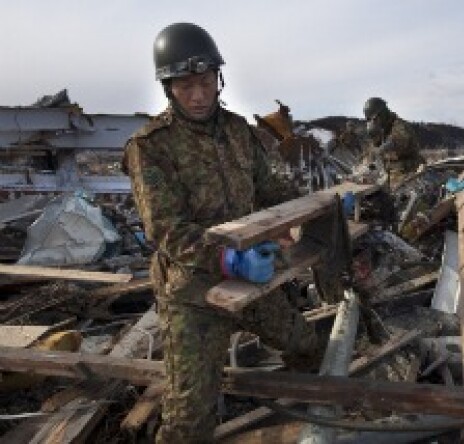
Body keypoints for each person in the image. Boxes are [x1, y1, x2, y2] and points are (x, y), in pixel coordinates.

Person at [123, 22, 323, 443]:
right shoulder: (151, 146)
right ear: (167, 88)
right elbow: (164, 228)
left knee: (306, 345)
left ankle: (301, 417)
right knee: (189, 422)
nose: (197, 95)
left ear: (218, 79)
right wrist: (225, 258)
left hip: (251, 280)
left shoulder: (237, 132)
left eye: (204, 82)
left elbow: (272, 192)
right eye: (184, 85)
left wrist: (314, 209)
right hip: (193, 292)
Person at [360, 97, 424, 189]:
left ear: (381, 114)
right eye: (372, 120)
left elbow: (398, 142)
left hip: (409, 172)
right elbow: (372, 151)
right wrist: (373, 136)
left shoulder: (399, 125)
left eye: (375, 119)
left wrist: (380, 150)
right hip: (391, 174)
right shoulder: (383, 129)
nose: (374, 122)